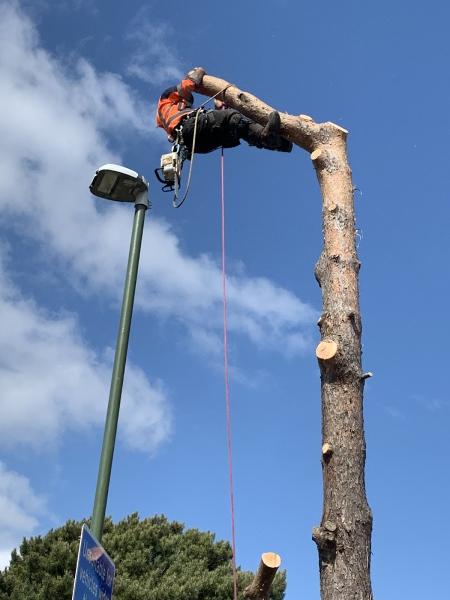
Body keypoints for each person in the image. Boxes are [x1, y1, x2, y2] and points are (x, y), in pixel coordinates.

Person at [156, 67, 292, 155]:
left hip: (198, 145)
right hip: (190, 130)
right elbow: (189, 82)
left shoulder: (165, 119)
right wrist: (197, 72)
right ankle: (265, 137)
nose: (188, 102)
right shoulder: (167, 97)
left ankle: (279, 143)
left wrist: (219, 108)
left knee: (235, 126)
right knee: (232, 118)